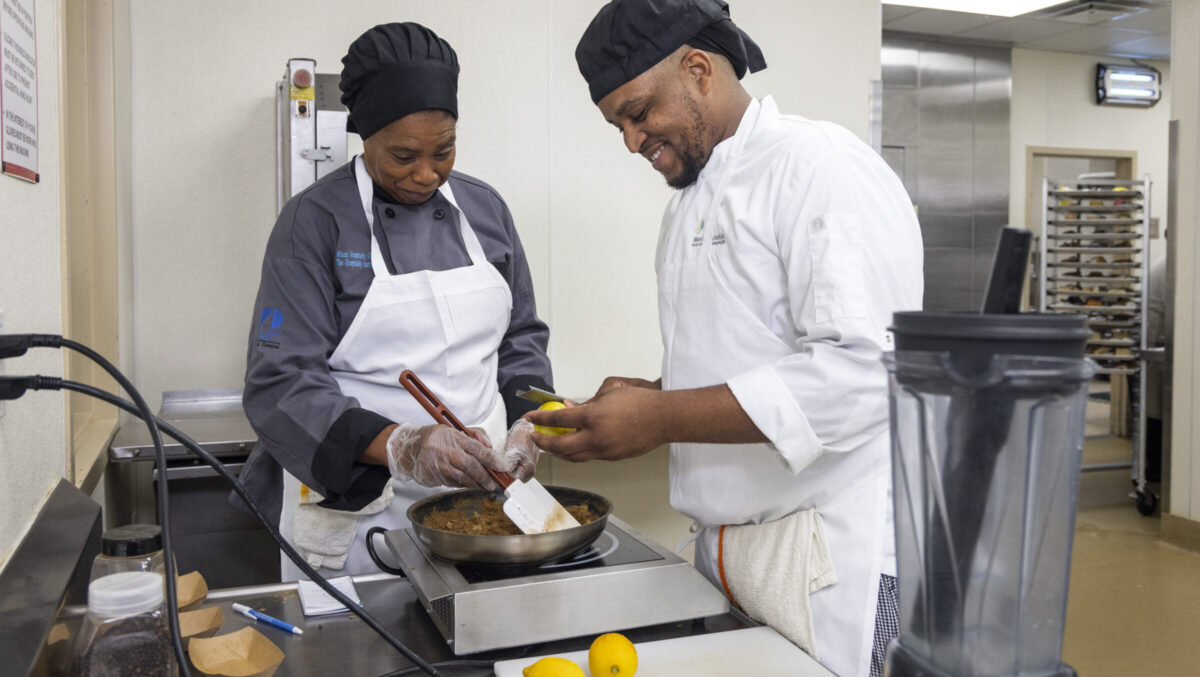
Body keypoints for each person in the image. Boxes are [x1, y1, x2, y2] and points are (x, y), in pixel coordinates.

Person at [526, 2, 922, 675]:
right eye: (617, 123)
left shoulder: (818, 167)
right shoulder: (687, 204)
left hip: (829, 564)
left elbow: (861, 378)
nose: (630, 140)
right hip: (729, 558)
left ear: (699, 69)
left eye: (638, 111)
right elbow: (762, 364)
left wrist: (660, 416)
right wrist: (655, 394)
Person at [235, 22, 553, 580]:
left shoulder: (485, 211)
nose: (426, 174)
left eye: (444, 151)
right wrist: (406, 446)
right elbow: (280, 382)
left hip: (487, 500)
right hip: (360, 512)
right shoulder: (314, 223)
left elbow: (521, 338)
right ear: (365, 137)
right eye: (403, 155)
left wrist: (529, 422)